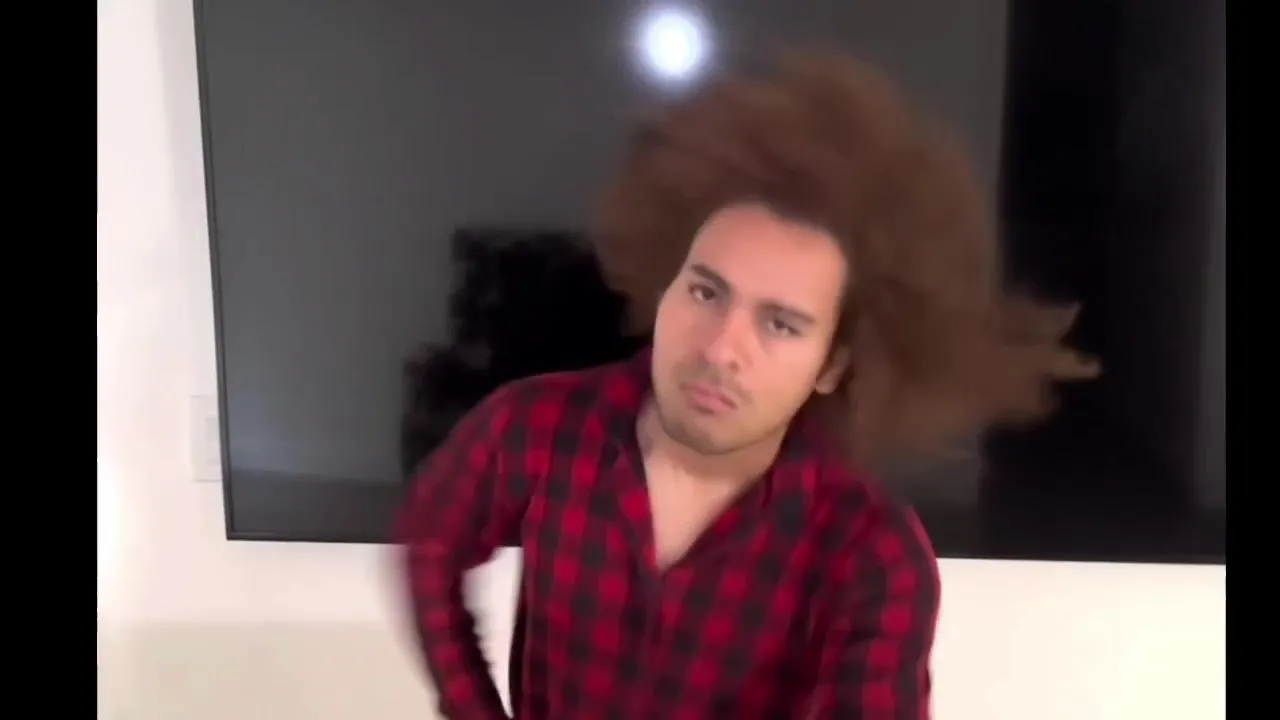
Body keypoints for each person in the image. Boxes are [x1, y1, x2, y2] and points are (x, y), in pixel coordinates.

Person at [395, 51, 1098, 719]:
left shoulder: (871, 554)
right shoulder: (534, 428)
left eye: (780, 325)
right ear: (666, 284)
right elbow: (432, 544)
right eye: (706, 293)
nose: (721, 348)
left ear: (833, 365)